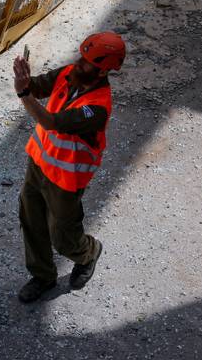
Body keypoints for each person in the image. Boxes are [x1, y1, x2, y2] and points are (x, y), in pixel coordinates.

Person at [12, 32, 126, 303]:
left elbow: (51, 121)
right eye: (82, 56)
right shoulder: (70, 73)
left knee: (62, 237)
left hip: (65, 179)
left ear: (103, 71)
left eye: (87, 62)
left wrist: (23, 93)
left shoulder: (96, 109)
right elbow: (40, 86)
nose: (79, 63)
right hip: (38, 164)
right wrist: (27, 79)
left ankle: (88, 253)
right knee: (32, 221)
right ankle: (43, 276)